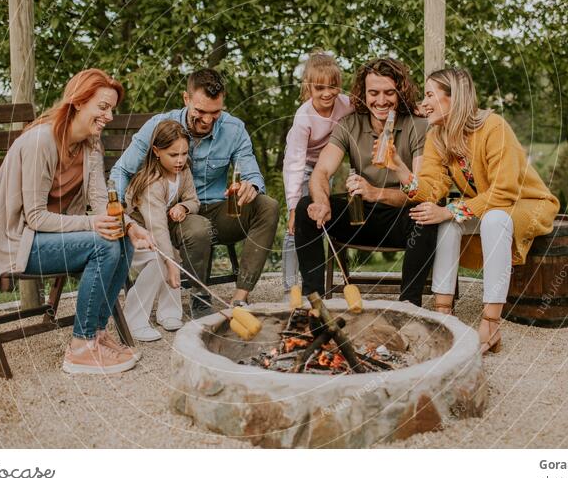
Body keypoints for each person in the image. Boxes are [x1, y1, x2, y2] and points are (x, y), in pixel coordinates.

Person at [0, 69, 156, 375]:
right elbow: (35, 217)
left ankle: (95, 334)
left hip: (48, 237)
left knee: (121, 238)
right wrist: (93, 224)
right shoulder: (41, 141)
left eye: (112, 109)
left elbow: (100, 203)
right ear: (79, 102)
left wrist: (133, 227)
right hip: (13, 239)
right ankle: (80, 348)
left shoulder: (91, 145)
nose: (109, 116)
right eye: (103, 107)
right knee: (102, 243)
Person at [384, 68, 559, 354]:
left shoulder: (494, 127)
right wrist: (401, 170)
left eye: (430, 95)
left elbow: (504, 191)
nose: (423, 103)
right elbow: (433, 188)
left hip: (525, 203)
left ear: (455, 98)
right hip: (485, 204)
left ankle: (491, 325)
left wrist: (451, 210)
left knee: (491, 219)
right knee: (442, 220)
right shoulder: (438, 135)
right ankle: (444, 314)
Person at [110, 69, 279, 317]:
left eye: (215, 112)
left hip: (217, 209)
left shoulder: (234, 129)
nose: (208, 120)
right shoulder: (159, 126)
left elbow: (251, 169)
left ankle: (240, 298)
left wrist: (251, 185)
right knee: (197, 227)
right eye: (200, 111)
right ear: (186, 99)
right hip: (176, 215)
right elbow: (122, 170)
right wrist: (117, 209)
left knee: (268, 205)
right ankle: (200, 296)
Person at [294, 58, 435, 307]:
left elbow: (420, 192)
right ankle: (313, 303)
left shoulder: (419, 126)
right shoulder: (349, 124)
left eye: (389, 92)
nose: (381, 101)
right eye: (374, 93)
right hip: (360, 217)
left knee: (425, 212)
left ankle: (409, 305)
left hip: (400, 219)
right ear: (363, 94)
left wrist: (375, 193)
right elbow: (321, 172)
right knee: (307, 207)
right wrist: (322, 202)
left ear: (400, 92)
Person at [282, 52, 353, 295]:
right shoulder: (304, 117)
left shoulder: (345, 104)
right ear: (308, 88)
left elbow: (369, 108)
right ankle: (289, 288)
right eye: (319, 88)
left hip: (325, 167)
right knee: (296, 225)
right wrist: (292, 207)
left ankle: (317, 282)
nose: (327, 93)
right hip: (302, 166)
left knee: (320, 219)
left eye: (332, 86)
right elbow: (294, 163)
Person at [122, 120, 199, 340]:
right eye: (173, 155)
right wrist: (170, 265)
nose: (180, 160)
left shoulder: (183, 172)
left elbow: (194, 200)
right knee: (160, 259)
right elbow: (157, 227)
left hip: (151, 235)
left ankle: (169, 312)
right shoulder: (151, 183)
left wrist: (183, 206)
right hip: (130, 236)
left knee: (170, 255)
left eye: (184, 153)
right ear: (156, 151)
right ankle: (133, 320)